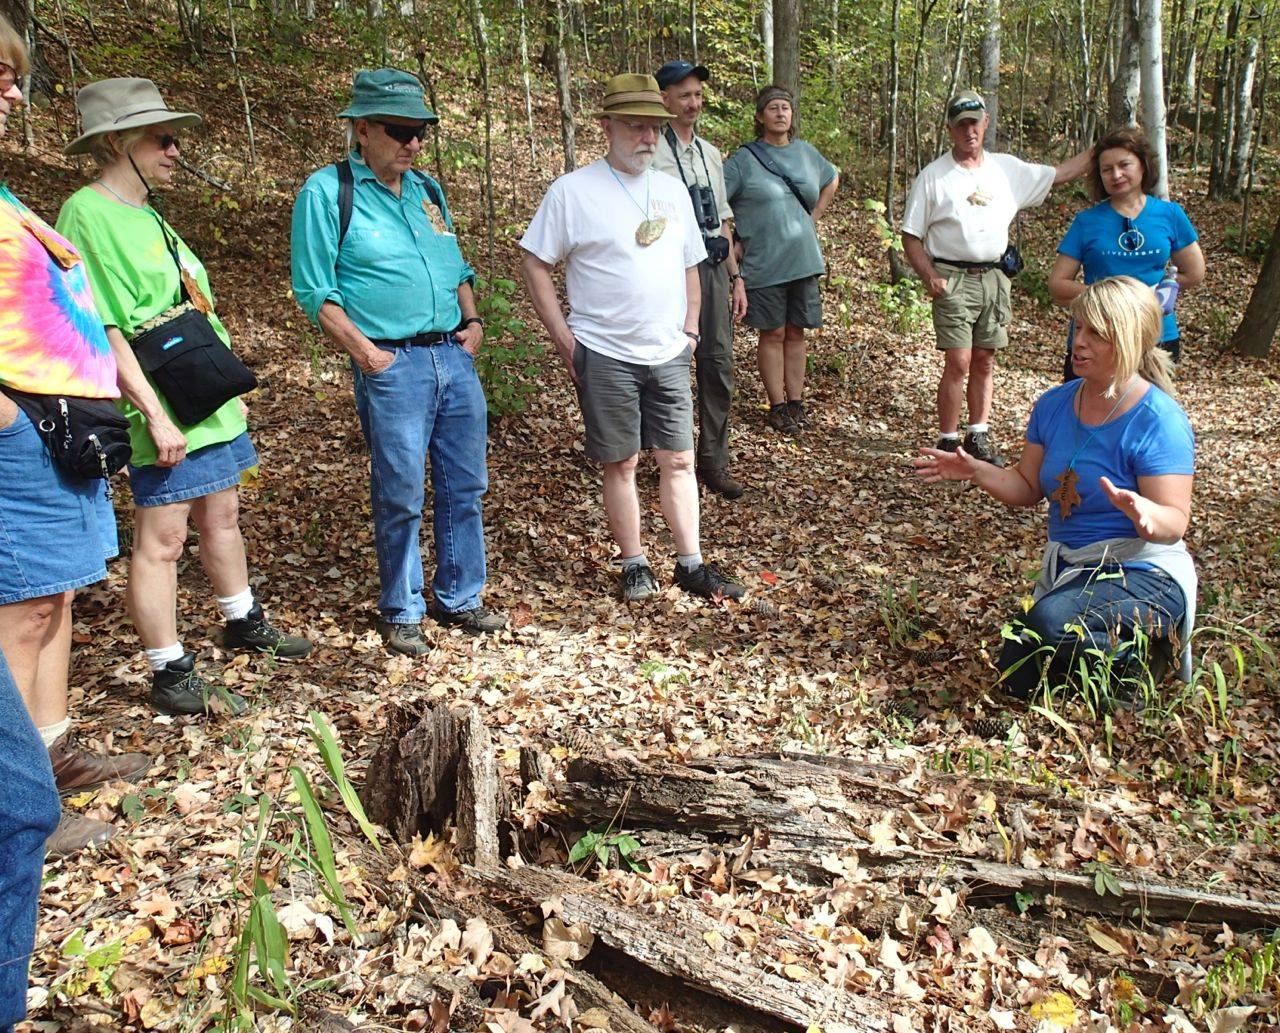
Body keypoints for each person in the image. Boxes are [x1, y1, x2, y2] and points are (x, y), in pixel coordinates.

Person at [57, 78, 312, 714]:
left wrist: (228, 388)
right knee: (163, 538)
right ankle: (169, 669)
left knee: (221, 515)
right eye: (163, 139)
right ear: (118, 142)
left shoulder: (149, 214)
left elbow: (193, 308)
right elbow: (105, 326)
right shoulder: (85, 214)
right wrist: (152, 414)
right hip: (162, 403)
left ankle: (241, 618)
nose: (176, 151)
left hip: (204, 397)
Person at [291, 69, 505, 654]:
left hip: (452, 357)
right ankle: (402, 607)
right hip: (394, 365)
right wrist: (367, 355)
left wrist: (473, 323)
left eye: (422, 132)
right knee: (401, 490)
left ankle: (461, 597)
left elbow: (456, 266)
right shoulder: (328, 192)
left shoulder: (426, 190)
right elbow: (315, 290)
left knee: (466, 484)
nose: (413, 143)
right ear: (362, 130)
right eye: (400, 130)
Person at [1, 23, 149, 862]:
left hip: (64, 433)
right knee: (20, 615)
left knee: (52, 602)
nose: (15, 92)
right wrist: (13, 419)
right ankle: (19, 804)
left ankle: (48, 757)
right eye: (0, 75)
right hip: (24, 431)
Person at [914, 277, 1196, 706]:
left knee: (1050, 625)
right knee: (1016, 673)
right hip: (1077, 571)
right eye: (1077, 327)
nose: (1077, 342)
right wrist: (976, 471)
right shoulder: (1054, 404)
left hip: (1144, 573)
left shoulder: (1159, 420)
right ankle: (1096, 667)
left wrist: (1147, 515)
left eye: (1095, 333)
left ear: (1129, 340)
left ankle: (1138, 659)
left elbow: (1174, 522)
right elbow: (1027, 487)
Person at [521, 73, 746, 603]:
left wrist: (690, 330)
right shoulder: (572, 192)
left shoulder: (671, 191)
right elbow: (534, 262)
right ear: (606, 127)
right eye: (636, 126)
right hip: (603, 350)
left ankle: (690, 564)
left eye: (654, 127)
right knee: (621, 462)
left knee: (681, 460)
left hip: (667, 349)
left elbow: (693, 264)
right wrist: (564, 337)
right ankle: (635, 563)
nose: (648, 137)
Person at [902, 89, 1092, 466]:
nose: (969, 131)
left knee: (985, 359)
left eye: (975, 123)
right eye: (961, 125)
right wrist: (929, 277)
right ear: (950, 130)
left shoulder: (1007, 169)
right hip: (952, 277)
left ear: (985, 123)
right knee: (958, 359)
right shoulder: (935, 176)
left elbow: (1062, 173)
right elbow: (910, 235)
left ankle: (978, 433)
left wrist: (1108, 146)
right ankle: (947, 438)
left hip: (994, 277)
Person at [652, 60, 748, 498]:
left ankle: (714, 459)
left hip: (712, 268)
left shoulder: (711, 154)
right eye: (685, 95)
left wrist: (736, 278)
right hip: (667, 270)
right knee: (664, 365)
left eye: (697, 95)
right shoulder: (651, 148)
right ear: (664, 98)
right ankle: (666, 456)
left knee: (718, 365)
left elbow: (724, 220)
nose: (694, 103)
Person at [723, 86, 838, 435]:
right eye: (772, 108)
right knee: (772, 332)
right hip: (764, 261)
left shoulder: (805, 153)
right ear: (760, 117)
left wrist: (812, 219)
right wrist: (734, 241)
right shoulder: (743, 160)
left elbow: (831, 179)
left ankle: (796, 402)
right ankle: (776, 405)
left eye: (785, 108)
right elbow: (718, 204)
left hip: (802, 259)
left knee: (796, 331)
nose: (780, 113)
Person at [1048, 127, 1204, 375]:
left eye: (1124, 165)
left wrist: (1160, 294)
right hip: (1094, 339)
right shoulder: (1086, 222)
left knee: (1146, 411)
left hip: (1154, 337)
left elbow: (1194, 272)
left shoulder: (1170, 214)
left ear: (1143, 166)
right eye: (1106, 169)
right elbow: (1058, 284)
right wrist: (1114, 300)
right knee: (1087, 412)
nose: (1116, 174)